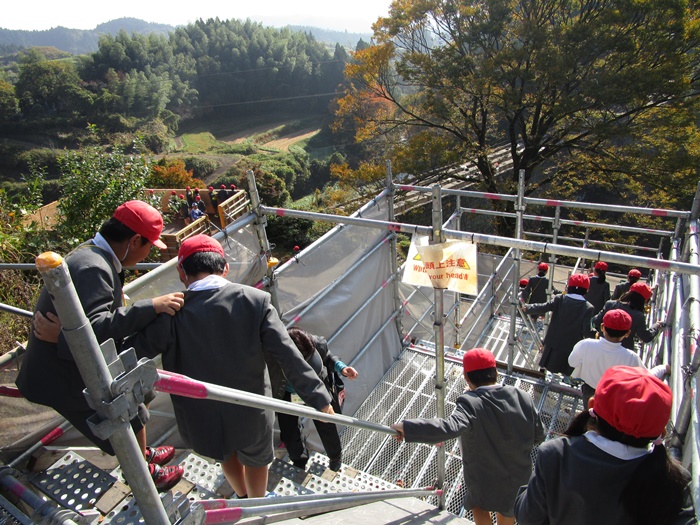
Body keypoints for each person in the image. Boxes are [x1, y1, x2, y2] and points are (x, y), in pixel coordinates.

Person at [127, 235, 334, 499]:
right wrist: (319, 399)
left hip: (201, 414)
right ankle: (257, 504)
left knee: (224, 454)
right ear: (225, 268)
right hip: (251, 409)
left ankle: (242, 496)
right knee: (257, 459)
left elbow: (129, 354)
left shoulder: (170, 312)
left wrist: (143, 309)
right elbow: (287, 354)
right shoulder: (255, 301)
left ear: (181, 271)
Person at [16, 200, 186, 491]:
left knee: (139, 393)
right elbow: (94, 327)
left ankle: (141, 455)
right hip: (60, 372)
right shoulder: (93, 268)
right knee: (127, 407)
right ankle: (142, 475)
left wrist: (64, 334)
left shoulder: (92, 255)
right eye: (149, 246)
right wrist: (151, 306)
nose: (148, 254)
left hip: (67, 358)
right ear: (134, 240)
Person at [514, 366, 695, 525]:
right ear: (661, 433)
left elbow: (528, 518)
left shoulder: (556, 454)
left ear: (592, 405)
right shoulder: (675, 481)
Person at [391, 348, 545, 525]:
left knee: (479, 507)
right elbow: (539, 435)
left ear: (466, 377)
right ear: (495, 372)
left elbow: (448, 427)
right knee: (508, 510)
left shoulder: (470, 402)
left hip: (483, 477)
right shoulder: (523, 396)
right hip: (519, 474)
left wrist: (408, 428)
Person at [272, 327, 358, 472]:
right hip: (290, 395)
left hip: (316, 393)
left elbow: (328, 357)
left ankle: (335, 456)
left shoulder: (315, 343)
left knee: (327, 426)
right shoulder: (275, 356)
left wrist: (342, 368)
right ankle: (299, 459)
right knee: (289, 432)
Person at [568, 309, 668, 407]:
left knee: (589, 414)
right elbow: (646, 376)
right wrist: (663, 368)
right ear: (627, 333)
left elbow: (572, 362)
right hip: (614, 398)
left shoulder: (586, 344)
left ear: (602, 327)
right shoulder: (631, 357)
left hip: (589, 390)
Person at [522, 273, 595, 375]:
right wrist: (596, 336)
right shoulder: (588, 307)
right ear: (586, 290)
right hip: (570, 346)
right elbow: (586, 329)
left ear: (569, 286)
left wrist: (527, 308)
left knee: (547, 368)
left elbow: (544, 307)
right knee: (566, 371)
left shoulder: (560, 299)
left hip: (553, 342)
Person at [592, 282, 664, 351]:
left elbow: (596, 321)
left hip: (602, 347)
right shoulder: (638, 316)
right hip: (623, 352)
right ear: (644, 301)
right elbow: (646, 337)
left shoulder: (610, 304)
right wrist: (656, 326)